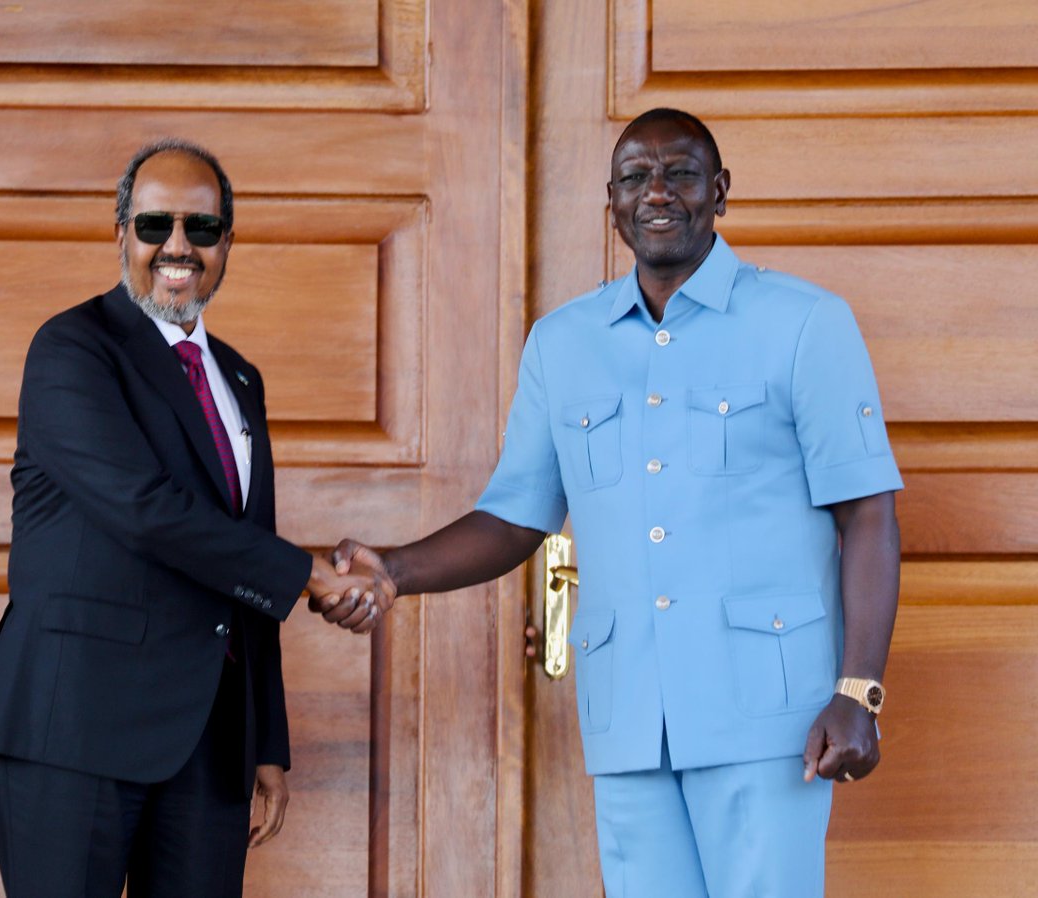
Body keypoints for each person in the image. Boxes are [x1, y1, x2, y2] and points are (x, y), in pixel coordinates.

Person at [318, 109, 902, 897]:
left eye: (681, 173)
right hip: (630, 715)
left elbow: (867, 513)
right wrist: (395, 568)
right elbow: (518, 515)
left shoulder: (804, 324)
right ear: (613, 202)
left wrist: (857, 690)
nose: (657, 192)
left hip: (773, 719)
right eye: (635, 177)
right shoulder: (563, 343)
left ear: (720, 191)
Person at [0, 139, 386, 898]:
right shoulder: (73, 349)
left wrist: (265, 739)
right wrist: (312, 576)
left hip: (208, 740)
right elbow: (146, 512)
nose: (177, 247)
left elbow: (240, 555)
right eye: (155, 226)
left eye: (201, 228)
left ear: (227, 243)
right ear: (121, 233)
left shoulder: (239, 377)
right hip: (73, 726)